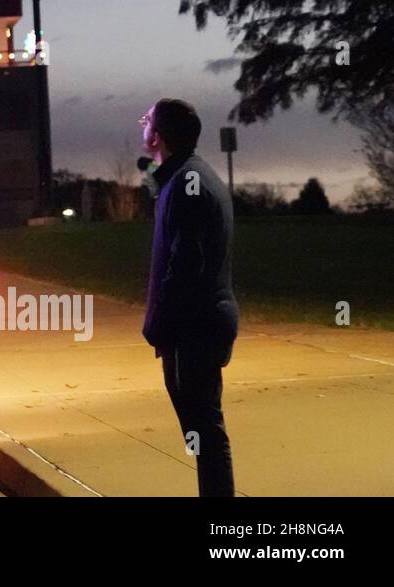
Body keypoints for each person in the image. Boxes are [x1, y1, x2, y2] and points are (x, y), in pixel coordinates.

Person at [140, 98, 239, 497]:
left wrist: (160, 323)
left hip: (194, 328)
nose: (143, 126)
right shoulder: (184, 178)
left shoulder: (187, 184)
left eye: (147, 120)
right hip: (195, 324)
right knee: (202, 433)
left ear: (159, 135)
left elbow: (186, 266)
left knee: (206, 433)